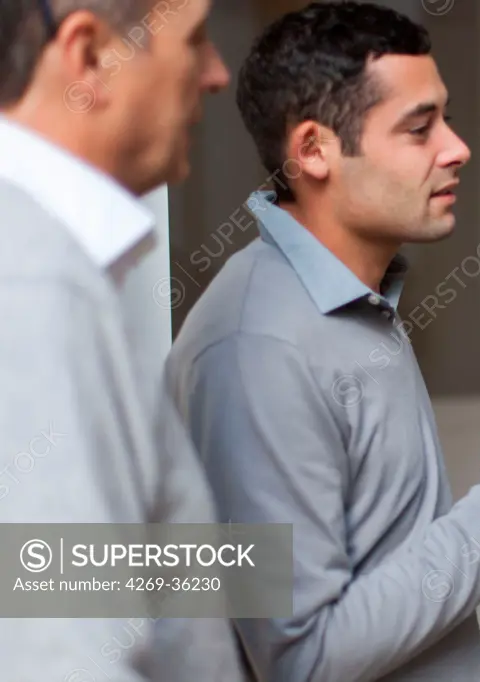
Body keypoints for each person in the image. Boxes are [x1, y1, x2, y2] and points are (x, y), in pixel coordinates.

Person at [163, 3, 480, 681]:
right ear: (312, 150)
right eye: (419, 128)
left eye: (445, 118)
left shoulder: (358, 301)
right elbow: (305, 655)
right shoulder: (256, 350)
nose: (457, 147)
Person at [0, 1, 241, 681]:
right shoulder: (34, 284)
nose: (216, 74)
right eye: (195, 42)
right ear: (87, 57)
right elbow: (59, 657)